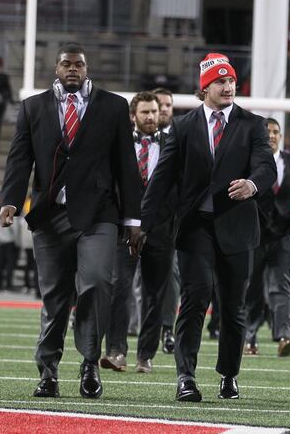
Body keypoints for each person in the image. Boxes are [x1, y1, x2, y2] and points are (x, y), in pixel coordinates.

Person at [0, 42, 142, 399]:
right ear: (57, 68)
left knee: (95, 284)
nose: (73, 69)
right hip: (49, 216)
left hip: (99, 216)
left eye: (79, 64)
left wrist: (134, 219)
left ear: (87, 68)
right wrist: (11, 202)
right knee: (54, 298)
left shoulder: (113, 106)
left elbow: (127, 165)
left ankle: (90, 363)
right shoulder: (33, 107)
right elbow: (20, 159)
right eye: (67, 64)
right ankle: (48, 371)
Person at [136, 52, 275, 402]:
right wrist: (143, 224)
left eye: (231, 81)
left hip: (237, 227)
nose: (228, 86)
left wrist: (253, 185)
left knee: (232, 306)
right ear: (204, 89)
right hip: (196, 226)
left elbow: (266, 167)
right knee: (195, 297)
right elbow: (162, 179)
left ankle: (229, 374)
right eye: (220, 82)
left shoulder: (252, 124)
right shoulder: (182, 127)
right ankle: (186, 376)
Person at [100, 91, 176, 375]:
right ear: (133, 116)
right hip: (126, 229)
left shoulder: (173, 143)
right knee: (119, 288)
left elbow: (178, 186)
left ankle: (146, 355)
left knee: (156, 294)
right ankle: (116, 351)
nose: (150, 117)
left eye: (154, 112)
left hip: (162, 229)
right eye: (144, 112)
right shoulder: (119, 145)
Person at [242, 117, 290, 356]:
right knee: (252, 288)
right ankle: (249, 338)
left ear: (281, 136)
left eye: (275, 131)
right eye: (267, 131)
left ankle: (284, 336)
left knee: (282, 285)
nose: (271, 135)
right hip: (254, 234)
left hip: (284, 234)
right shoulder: (248, 160)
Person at [152, 86, 178, 355]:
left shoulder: (181, 135)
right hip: (138, 218)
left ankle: (168, 328)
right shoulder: (131, 138)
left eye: (168, 105)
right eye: (159, 105)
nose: (163, 109)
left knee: (171, 276)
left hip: (171, 219)